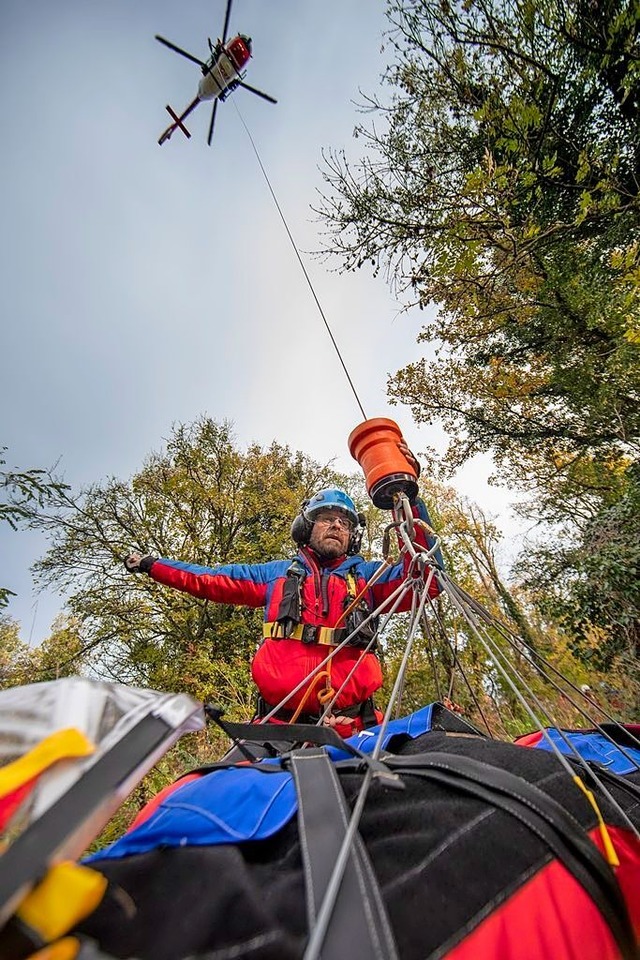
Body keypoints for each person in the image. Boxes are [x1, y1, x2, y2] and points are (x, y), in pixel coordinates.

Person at [125, 452, 441, 738]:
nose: (335, 525)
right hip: (278, 728)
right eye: (326, 518)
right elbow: (210, 579)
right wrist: (154, 565)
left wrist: (406, 498)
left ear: (352, 534)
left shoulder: (370, 577)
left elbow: (427, 578)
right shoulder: (275, 575)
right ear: (307, 527)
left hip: (357, 727)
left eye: (344, 522)